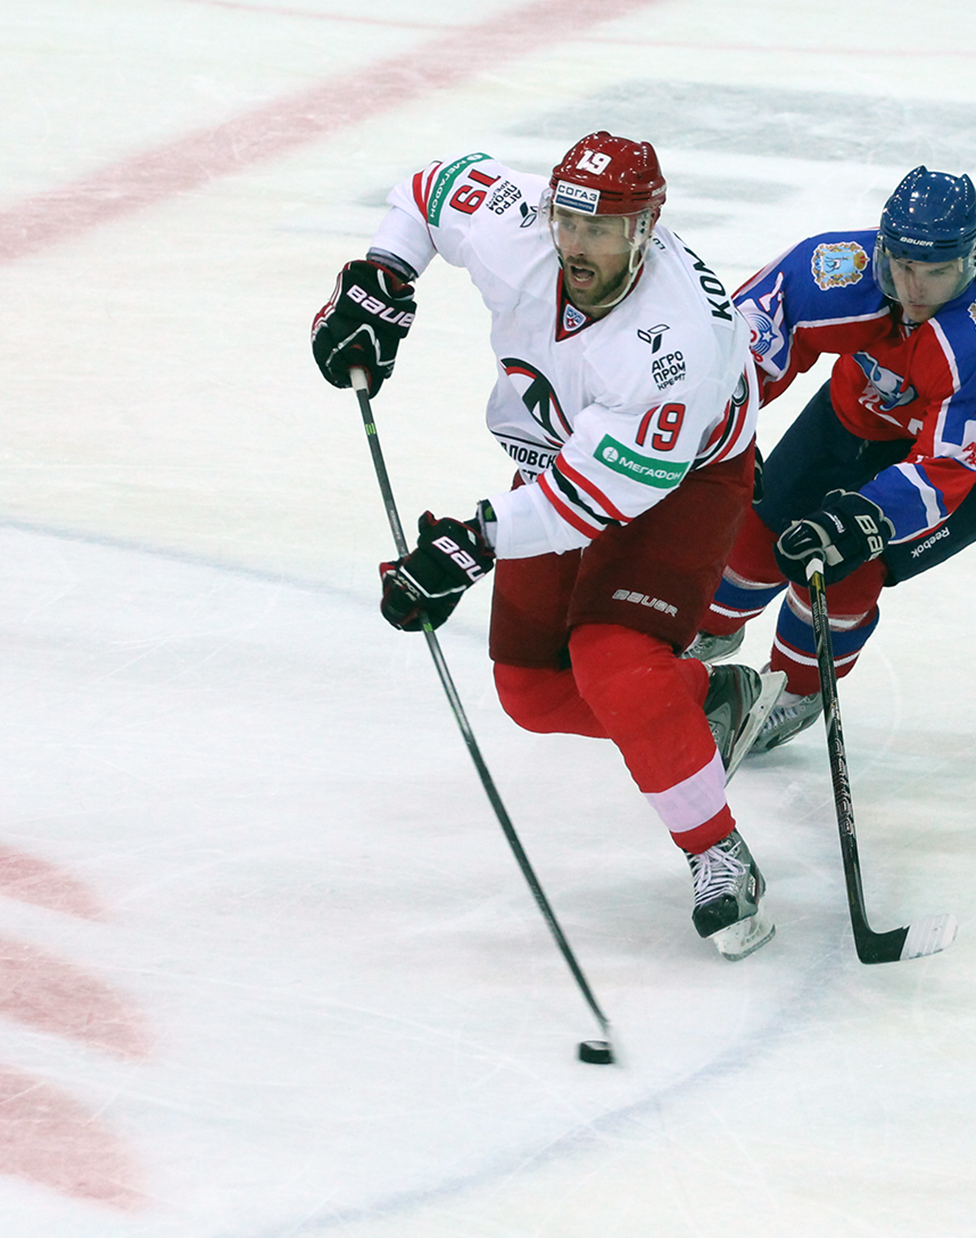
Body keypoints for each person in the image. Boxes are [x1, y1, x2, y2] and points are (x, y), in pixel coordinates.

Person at [308, 132, 785, 961]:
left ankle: (716, 852)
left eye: (601, 230)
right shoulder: (519, 223)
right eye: (567, 220)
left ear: (646, 229)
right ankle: (708, 702)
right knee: (530, 693)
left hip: (684, 479)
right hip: (560, 458)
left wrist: (469, 545)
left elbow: (587, 505)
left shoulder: (673, 348)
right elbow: (427, 190)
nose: (575, 245)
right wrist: (383, 279)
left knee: (613, 658)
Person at [686, 167, 976, 754]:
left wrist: (861, 519)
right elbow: (739, 352)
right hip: (861, 412)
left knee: (848, 567)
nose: (915, 290)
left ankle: (794, 690)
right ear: (882, 248)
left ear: (972, 261)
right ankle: (705, 630)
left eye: (937, 272)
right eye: (903, 266)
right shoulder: (830, 269)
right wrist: (719, 429)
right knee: (758, 532)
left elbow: (947, 467)